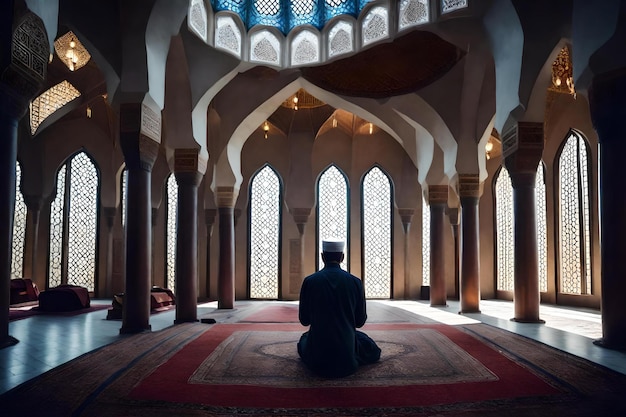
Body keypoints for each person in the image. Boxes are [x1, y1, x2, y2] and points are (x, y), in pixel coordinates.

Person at [297, 238, 381, 378]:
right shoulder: (355, 282)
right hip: (347, 360)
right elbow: (360, 321)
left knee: (304, 339)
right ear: (342, 257)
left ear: (322, 257)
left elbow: (304, 320)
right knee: (368, 345)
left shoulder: (310, 281)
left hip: (318, 361)